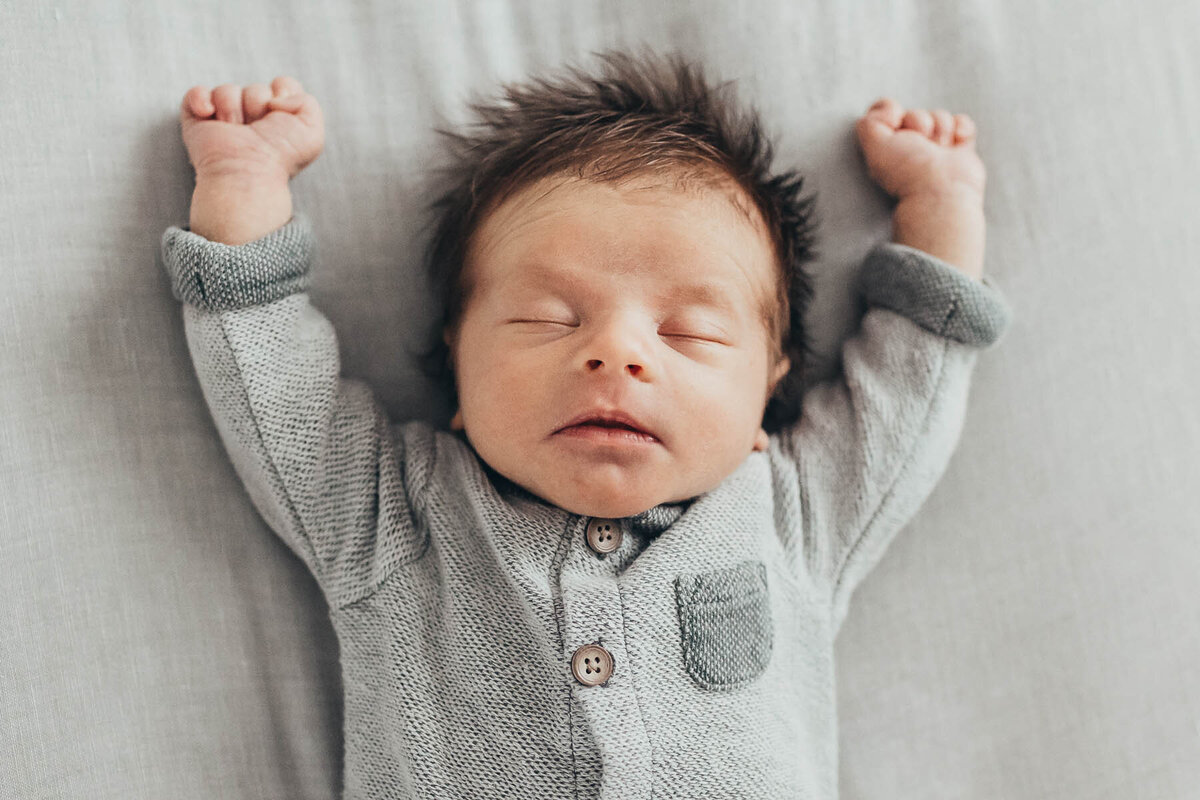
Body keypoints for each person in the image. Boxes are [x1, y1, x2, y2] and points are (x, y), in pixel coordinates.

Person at [160, 51, 1011, 799]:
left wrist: (940, 208)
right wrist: (242, 195)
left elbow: (909, 393)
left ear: (765, 396)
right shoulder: (395, 517)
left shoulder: (793, 520)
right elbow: (279, 397)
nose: (616, 354)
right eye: (547, 319)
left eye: (690, 333)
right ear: (457, 366)